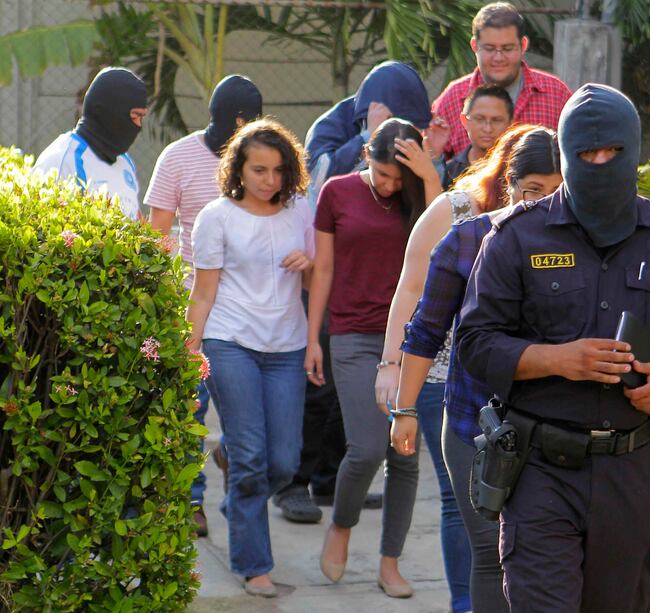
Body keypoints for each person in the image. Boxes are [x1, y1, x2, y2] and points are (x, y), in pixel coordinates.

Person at [455, 83, 650, 612]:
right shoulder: (518, 237)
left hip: (632, 475)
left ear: (635, 150)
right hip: (540, 473)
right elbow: (476, 341)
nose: (600, 163)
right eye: (586, 154)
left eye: (613, 153)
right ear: (565, 154)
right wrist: (557, 359)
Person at [389, 127, 562, 613]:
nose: (543, 203)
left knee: (542, 554)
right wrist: (405, 407)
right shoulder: (467, 240)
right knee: (490, 552)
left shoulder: (586, 251)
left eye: (555, 191)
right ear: (510, 185)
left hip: (553, 427)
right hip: (470, 422)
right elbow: (424, 330)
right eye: (532, 190)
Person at [307, 118, 441, 598]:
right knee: (365, 447)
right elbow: (323, 268)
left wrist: (426, 175)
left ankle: (390, 563)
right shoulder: (337, 193)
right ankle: (341, 526)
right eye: (382, 173)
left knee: (404, 456)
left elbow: (445, 238)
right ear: (366, 155)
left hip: (413, 341)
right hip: (353, 335)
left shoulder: (419, 198)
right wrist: (313, 338)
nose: (388, 185)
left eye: (396, 178)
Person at [187, 117, 313, 598]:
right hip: (229, 340)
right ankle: (254, 563)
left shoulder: (300, 210)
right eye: (259, 169)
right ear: (238, 169)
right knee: (253, 457)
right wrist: (190, 347)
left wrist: (310, 261)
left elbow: (321, 267)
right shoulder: (216, 217)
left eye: (279, 170)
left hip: (287, 345)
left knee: (282, 462)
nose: (270, 180)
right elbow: (203, 295)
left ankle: (226, 456)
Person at [144, 74, 263, 536]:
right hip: (194, 302)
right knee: (190, 407)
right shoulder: (176, 158)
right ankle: (192, 501)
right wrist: (168, 301)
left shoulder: (261, 160)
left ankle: (229, 457)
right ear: (235, 119)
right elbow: (157, 236)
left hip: (249, 305)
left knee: (247, 408)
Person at [431, 2, 571, 161]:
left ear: (523, 45)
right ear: (475, 46)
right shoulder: (452, 99)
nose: (498, 58)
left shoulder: (556, 94)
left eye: (507, 48)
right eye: (490, 49)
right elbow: (433, 166)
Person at [305, 60, 438, 206]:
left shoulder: (415, 129)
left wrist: (434, 154)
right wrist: (368, 136)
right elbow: (318, 180)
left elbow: (433, 203)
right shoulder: (328, 125)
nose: (390, 186)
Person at [34, 67, 148, 221]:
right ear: (110, 112)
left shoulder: (125, 162)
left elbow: (136, 222)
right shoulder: (62, 161)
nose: (138, 126)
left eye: (141, 117)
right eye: (135, 116)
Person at [442, 84, 514, 190]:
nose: (488, 128)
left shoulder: (517, 169)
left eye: (497, 120)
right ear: (464, 121)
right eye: (479, 119)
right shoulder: (450, 171)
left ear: (510, 124)